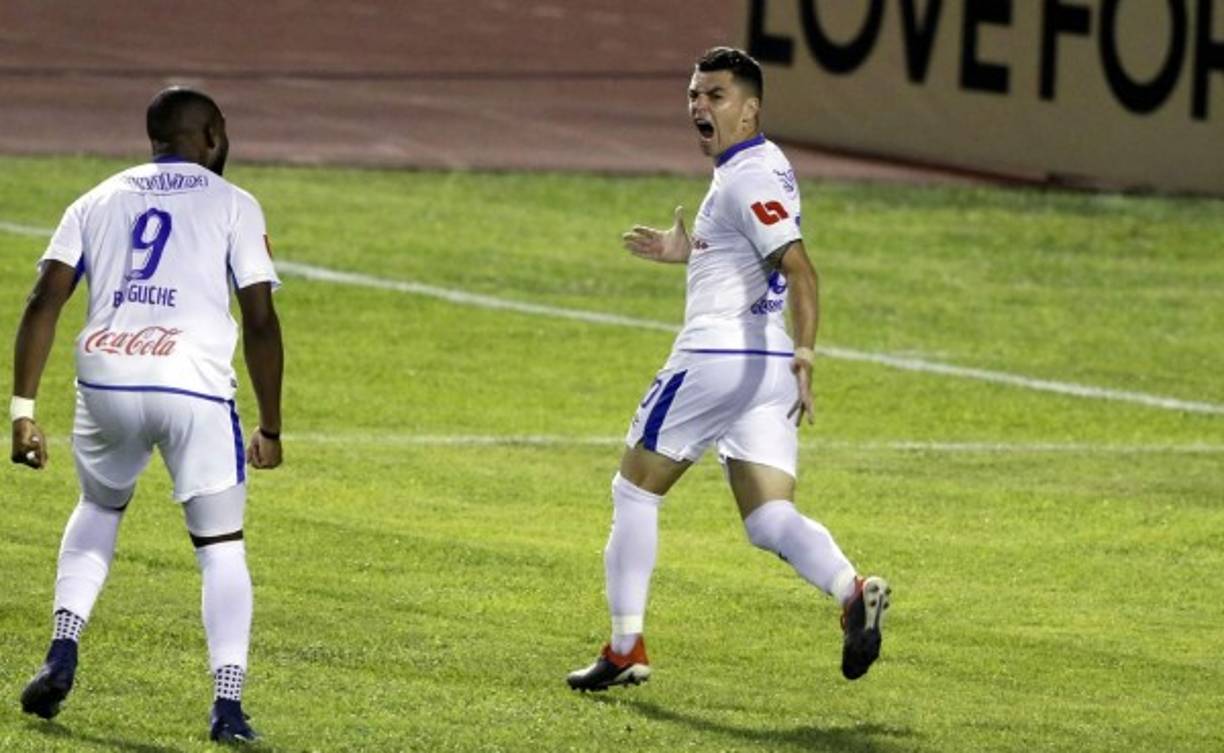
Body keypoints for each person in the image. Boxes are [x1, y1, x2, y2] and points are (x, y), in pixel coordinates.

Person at [566, 48, 890, 692]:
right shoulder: (766, 166)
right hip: (765, 369)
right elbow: (753, 252)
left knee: (635, 491)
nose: (699, 106)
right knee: (768, 518)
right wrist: (691, 249)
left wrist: (809, 356)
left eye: (715, 96)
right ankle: (851, 590)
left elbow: (800, 269)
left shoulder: (746, 179)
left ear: (750, 110)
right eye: (694, 94)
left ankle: (625, 649)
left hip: (718, 357)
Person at [11, 86, 283, 743]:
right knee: (220, 546)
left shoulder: (95, 198)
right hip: (192, 386)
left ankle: (62, 648)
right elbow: (260, 320)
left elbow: (44, 299)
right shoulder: (235, 203)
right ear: (213, 134)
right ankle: (227, 705)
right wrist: (271, 426)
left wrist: (22, 410)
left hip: (106, 378)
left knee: (99, 508)